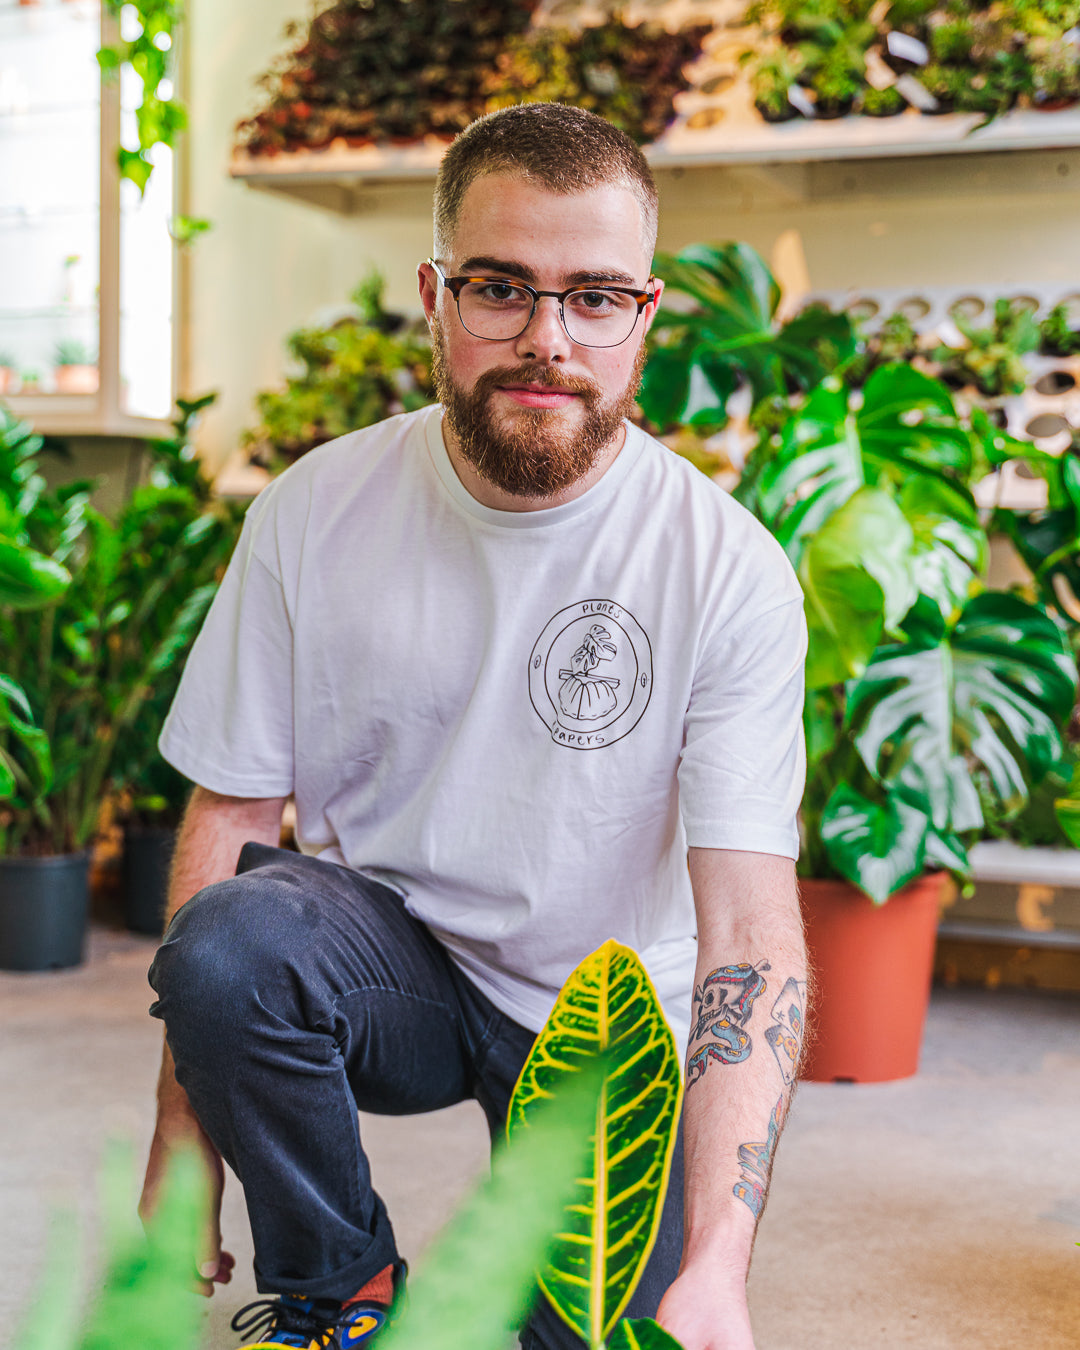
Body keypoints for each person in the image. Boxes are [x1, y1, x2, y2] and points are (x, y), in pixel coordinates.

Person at [141, 102, 808, 1350]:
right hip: (397, 968)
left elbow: (751, 936)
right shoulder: (311, 510)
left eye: (595, 297)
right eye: (502, 287)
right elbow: (228, 815)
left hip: (608, 1016)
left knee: (597, 1334)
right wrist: (185, 1144)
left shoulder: (726, 570)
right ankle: (341, 1290)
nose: (547, 340)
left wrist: (719, 1266)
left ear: (645, 318)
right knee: (234, 942)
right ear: (436, 297)